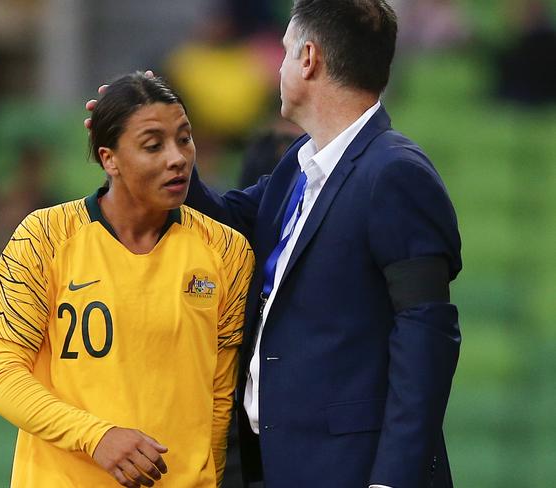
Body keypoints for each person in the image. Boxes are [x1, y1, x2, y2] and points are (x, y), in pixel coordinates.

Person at [86, 1, 462, 485]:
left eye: (284, 52)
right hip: (277, 462)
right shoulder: (300, 164)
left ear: (308, 59)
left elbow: (426, 338)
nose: (276, 68)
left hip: (353, 470)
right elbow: (226, 221)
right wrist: (166, 151)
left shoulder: (396, 173)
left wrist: (392, 480)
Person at [0, 72, 254, 488]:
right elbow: (2, 380)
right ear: (110, 159)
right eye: (153, 145)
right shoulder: (44, 236)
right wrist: (96, 436)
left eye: (184, 138)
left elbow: (218, 399)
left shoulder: (226, 249)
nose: (177, 157)